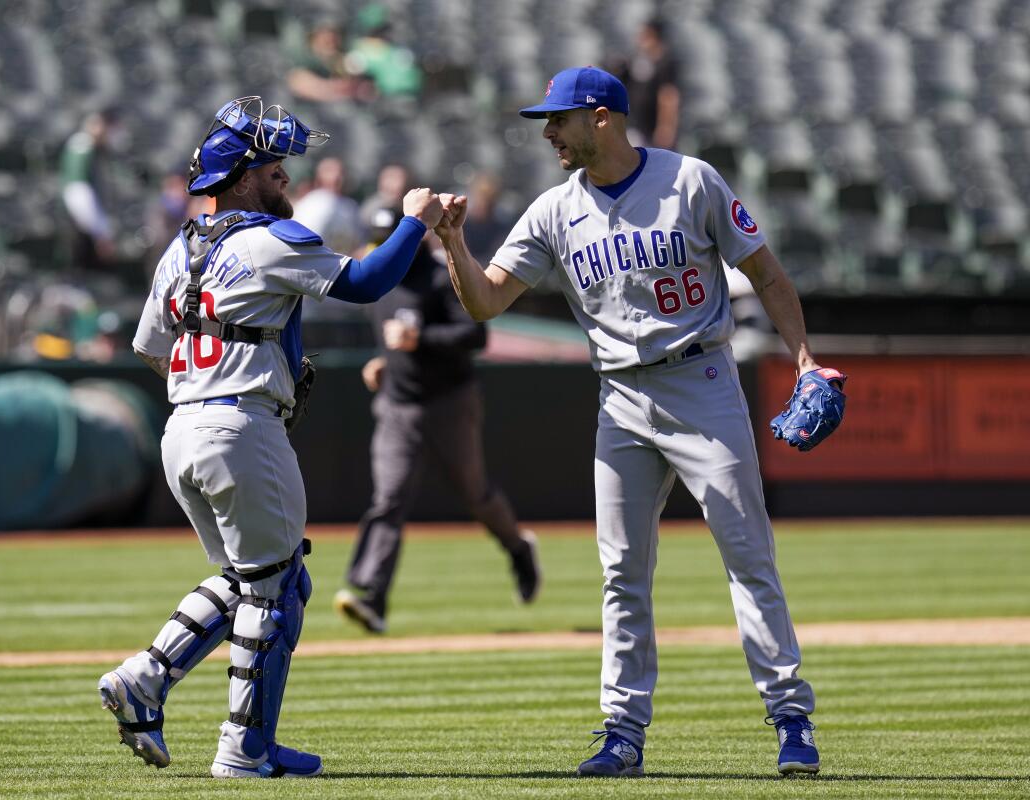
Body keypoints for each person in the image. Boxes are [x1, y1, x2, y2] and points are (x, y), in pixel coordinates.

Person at [432, 66, 834, 777]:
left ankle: (790, 717)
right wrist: (454, 243)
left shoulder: (690, 181)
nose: (549, 133)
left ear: (602, 118)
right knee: (621, 570)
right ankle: (622, 734)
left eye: (559, 120)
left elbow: (767, 274)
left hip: (701, 380)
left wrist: (804, 360)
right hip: (619, 399)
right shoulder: (555, 210)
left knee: (748, 558)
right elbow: (487, 303)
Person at [99, 95, 443, 780]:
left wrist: (229, 354)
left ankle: (150, 677)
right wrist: (416, 223)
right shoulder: (267, 239)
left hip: (184, 428)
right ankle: (243, 745)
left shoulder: (178, 250)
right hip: (240, 425)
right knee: (274, 592)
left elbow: (149, 347)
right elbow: (371, 282)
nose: (284, 173)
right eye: (272, 165)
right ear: (239, 176)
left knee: (257, 580)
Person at [333, 207, 541, 634]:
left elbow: (476, 335)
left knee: (475, 495)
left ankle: (518, 548)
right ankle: (372, 596)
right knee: (389, 498)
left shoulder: (439, 276)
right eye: (377, 243)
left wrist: (419, 340)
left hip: (449, 402)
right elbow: (391, 339)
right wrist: (384, 362)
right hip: (398, 406)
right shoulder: (379, 278)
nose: (381, 250)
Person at [605, 18, 681, 149]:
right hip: (635, 126)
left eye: (646, 35)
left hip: (653, 128)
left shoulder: (666, 62)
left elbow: (668, 95)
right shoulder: (636, 59)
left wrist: (666, 127)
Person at [60, 109, 121, 272]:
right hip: (84, 228)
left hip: (93, 224)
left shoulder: (98, 150)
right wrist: (101, 233)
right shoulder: (82, 147)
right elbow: (78, 193)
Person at [286, 21, 374, 105]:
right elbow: (297, 80)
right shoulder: (300, 56)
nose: (331, 42)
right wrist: (333, 88)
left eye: (333, 39)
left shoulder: (345, 55)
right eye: (325, 41)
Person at [291, 156, 364, 255]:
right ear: (319, 176)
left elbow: (358, 244)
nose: (337, 176)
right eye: (330, 171)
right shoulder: (313, 203)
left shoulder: (349, 206)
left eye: (340, 172)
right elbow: (305, 243)